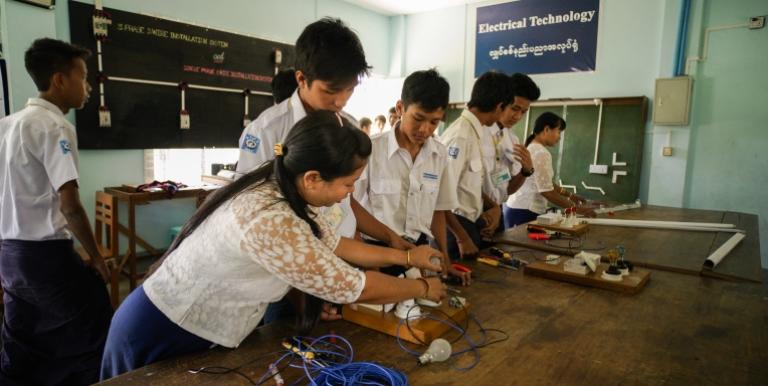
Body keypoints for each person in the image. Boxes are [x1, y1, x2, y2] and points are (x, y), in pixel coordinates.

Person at [100, 111, 447, 379]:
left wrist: (405, 254)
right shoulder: (270, 218)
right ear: (313, 178)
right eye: (349, 183)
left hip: (198, 327)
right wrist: (420, 287)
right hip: (162, 327)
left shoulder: (287, 184)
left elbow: (335, 244)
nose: (351, 193)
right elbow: (354, 286)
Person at [0, 38, 113, 386]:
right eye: (83, 76)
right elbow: (70, 205)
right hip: (44, 256)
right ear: (60, 80)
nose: (89, 87)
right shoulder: (56, 127)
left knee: (22, 337)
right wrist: (96, 257)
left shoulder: (6, 125)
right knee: (94, 321)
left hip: (10, 255)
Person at [355, 69, 469, 285]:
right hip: (376, 254)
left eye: (434, 122)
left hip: (419, 252)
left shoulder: (439, 154)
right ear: (400, 108)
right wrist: (368, 264)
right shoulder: (371, 150)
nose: (425, 129)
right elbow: (351, 209)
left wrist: (444, 258)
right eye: (418, 118)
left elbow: (438, 210)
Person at [439, 71, 512, 261]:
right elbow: (440, 195)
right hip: (455, 229)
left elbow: (467, 183)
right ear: (499, 106)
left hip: (470, 223)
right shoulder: (461, 136)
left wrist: (493, 206)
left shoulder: (475, 131)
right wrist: (462, 238)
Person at [506, 112, 596, 226]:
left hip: (516, 208)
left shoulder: (531, 147)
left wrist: (570, 195)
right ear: (547, 129)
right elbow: (546, 191)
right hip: (525, 211)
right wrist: (577, 209)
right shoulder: (541, 153)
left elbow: (546, 183)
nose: (559, 137)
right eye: (558, 131)